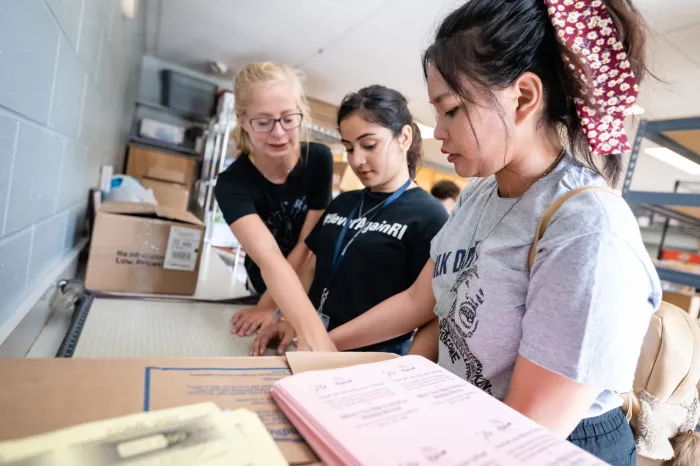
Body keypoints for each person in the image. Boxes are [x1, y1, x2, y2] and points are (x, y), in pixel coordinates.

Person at [319, 1, 660, 464]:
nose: (437, 131)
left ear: (523, 97)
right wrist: (321, 347)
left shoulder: (587, 230)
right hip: (471, 419)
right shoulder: (481, 194)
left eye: (452, 110)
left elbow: (526, 435)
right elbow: (418, 301)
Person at [250, 85, 448, 356]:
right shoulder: (344, 202)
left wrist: (325, 341)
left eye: (369, 145)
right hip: (312, 345)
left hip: (371, 357)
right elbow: (313, 266)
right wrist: (291, 322)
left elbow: (418, 306)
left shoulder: (430, 216)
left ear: (404, 137)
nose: (357, 160)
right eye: (349, 148)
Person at [214, 62, 336, 351]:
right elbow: (269, 258)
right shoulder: (232, 184)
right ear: (242, 120)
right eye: (263, 121)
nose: (279, 133)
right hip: (266, 285)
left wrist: (280, 311)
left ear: (301, 113)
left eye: (287, 118)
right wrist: (267, 304)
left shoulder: (318, 159)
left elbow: (308, 244)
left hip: (307, 283)